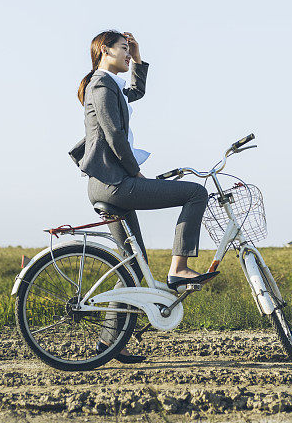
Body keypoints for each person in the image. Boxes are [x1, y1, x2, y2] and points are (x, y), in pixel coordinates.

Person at [75, 29, 217, 361]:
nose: (127, 53)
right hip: (116, 183)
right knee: (196, 193)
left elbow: (134, 93)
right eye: (123, 49)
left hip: (107, 184)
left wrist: (138, 60)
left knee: (131, 268)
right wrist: (134, 171)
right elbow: (114, 136)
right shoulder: (100, 85)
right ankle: (179, 268)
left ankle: (110, 344)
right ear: (105, 51)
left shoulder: (111, 85)